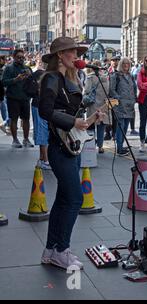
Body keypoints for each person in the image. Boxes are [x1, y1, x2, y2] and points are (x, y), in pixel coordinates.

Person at [39, 37, 102, 269]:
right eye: (72, 52)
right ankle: (62, 250)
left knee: (63, 199)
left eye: (77, 52)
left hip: (68, 145)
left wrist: (92, 119)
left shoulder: (69, 80)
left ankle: (50, 250)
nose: (76, 56)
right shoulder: (51, 78)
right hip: (59, 148)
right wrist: (72, 121)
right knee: (75, 199)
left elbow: (74, 119)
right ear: (60, 55)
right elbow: (45, 110)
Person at [2, 49, 34, 148]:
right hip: (13, 97)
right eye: (18, 57)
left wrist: (30, 76)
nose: (21, 59)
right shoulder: (9, 68)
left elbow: (33, 82)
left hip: (25, 98)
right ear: (14, 57)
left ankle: (26, 139)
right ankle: (15, 140)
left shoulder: (27, 68)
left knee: (26, 119)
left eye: (22, 57)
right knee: (14, 119)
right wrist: (16, 79)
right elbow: (3, 82)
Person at [109, 57, 138, 156]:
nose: (126, 65)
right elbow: (111, 90)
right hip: (120, 105)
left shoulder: (130, 76)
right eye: (124, 63)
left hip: (129, 105)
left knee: (125, 127)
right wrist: (119, 98)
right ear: (121, 64)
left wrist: (134, 98)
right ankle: (119, 148)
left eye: (128, 64)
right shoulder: (115, 75)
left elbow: (134, 88)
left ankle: (121, 144)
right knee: (120, 127)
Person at [83, 60, 111, 154]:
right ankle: (100, 146)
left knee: (91, 125)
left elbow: (86, 90)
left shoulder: (90, 77)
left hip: (92, 104)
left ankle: (91, 145)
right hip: (103, 104)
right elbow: (108, 91)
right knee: (101, 125)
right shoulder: (105, 78)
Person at [30, 60, 50, 169]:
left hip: (39, 105)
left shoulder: (42, 74)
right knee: (42, 132)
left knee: (42, 131)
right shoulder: (42, 74)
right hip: (40, 106)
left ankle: (42, 158)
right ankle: (45, 160)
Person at [0, 55, 10, 135]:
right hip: (2, 94)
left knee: (4, 110)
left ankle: (6, 124)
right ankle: (4, 124)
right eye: (4, 60)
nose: (5, 61)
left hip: (2, 94)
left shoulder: (3, 68)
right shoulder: (2, 69)